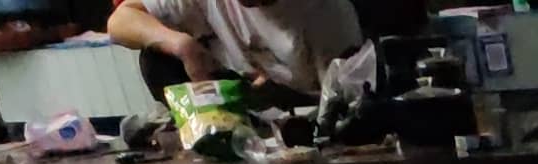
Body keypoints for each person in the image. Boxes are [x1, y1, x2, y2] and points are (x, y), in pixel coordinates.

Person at [106, 0, 369, 100]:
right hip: (241, 111)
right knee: (156, 58)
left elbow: (345, 103)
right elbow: (120, 20)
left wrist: (283, 97)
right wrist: (181, 45)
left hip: (303, 120)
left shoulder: (325, 12)